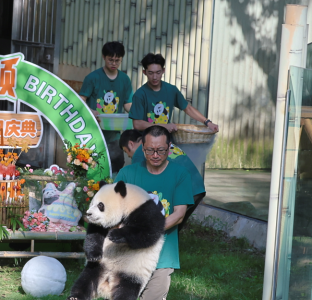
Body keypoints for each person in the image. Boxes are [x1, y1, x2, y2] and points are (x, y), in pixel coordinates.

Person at [104, 125, 193, 300]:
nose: (155, 155)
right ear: (142, 148)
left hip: (161, 257)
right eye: (150, 150)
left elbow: (179, 214)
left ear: (169, 148)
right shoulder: (128, 173)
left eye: (161, 150)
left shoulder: (179, 174)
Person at [119, 129, 205, 230]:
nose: (128, 155)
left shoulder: (140, 153)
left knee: (169, 219)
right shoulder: (162, 143)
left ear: (131, 144)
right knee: (173, 221)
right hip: (197, 186)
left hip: (186, 187)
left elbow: (140, 185)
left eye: (126, 151)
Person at [129, 53, 219, 135]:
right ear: (144, 72)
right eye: (151, 73)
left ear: (163, 71)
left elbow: (188, 108)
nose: (155, 77)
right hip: (145, 141)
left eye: (158, 72)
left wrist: (208, 123)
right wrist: (163, 126)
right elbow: (137, 124)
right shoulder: (140, 94)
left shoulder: (171, 90)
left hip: (166, 140)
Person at [79, 41, 134, 174]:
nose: (114, 63)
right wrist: (91, 111)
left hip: (114, 134)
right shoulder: (93, 77)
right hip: (93, 132)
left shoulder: (125, 80)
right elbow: (81, 99)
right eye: (110, 60)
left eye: (117, 60)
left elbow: (127, 103)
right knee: (91, 167)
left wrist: (138, 115)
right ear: (103, 57)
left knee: (116, 164)